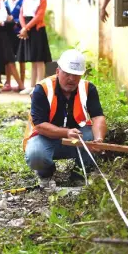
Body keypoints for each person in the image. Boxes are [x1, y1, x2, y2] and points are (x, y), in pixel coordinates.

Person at [23, 49, 107, 189]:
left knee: (92, 138)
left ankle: (79, 175)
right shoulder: (42, 89)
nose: (72, 79)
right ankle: (46, 174)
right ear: (57, 71)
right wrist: (66, 132)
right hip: (45, 136)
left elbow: (98, 117)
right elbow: (40, 126)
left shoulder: (88, 88)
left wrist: (99, 140)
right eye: (67, 74)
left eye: (76, 75)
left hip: (76, 136)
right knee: (36, 154)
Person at [17, 0, 52, 95]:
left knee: (39, 59)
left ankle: (39, 85)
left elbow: (39, 17)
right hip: (26, 30)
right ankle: (31, 85)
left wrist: (26, 28)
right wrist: (23, 28)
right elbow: (21, 13)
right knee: (32, 59)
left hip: (37, 30)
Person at [4, 0, 25, 91]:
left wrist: (14, 20)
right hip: (8, 34)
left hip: (19, 33)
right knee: (9, 59)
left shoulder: (23, 2)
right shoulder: (5, 2)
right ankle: (8, 82)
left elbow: (24, 16)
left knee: (21, 58)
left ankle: (21, 81)